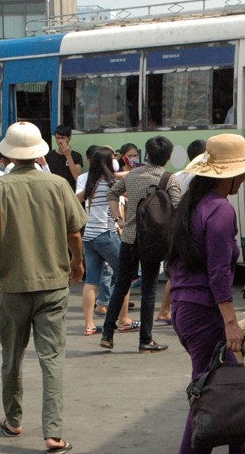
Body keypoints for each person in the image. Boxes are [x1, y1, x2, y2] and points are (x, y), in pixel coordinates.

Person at [0, 121, 85, 454]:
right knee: (52, 359)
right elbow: (74, 232)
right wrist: (77, 263)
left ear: (8, 152)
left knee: (12, 357)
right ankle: (53, 433)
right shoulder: (58, 185)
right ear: (39, 153)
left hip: (14, 286)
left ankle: (14, 420)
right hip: (53, 286)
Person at [166, 134, 245, 454]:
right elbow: (220, 274)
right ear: (232, 174)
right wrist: (231, 322)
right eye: (243, 171)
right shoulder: (220, 210)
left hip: (187, 308)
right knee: (212, 392)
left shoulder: (194, 205)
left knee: (227, 391)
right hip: (203, 312)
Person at [100, 136, 181, 353]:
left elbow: (112, 193)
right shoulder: (169, 179)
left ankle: (107, 333)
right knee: (149, 290)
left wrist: (119, 219)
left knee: (121, 285)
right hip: (153, 242)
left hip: (129, 237)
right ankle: (146, 339)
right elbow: (177, 207)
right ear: (169, 156)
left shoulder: (133, 175)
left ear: (147, 155)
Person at [79, 147, 136, 335]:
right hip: (106, 234)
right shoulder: (110, 183)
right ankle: (124, 319)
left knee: (92, 281)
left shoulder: (90, 183)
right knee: (124, 275)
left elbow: (75, 199)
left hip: (88, 236)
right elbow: (123, 182)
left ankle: (89, 325)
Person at [156, 138, 208, 326]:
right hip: (193, 230)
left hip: (178, 228)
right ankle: (166, 310)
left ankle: (167, 310)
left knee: (179, 271)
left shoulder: (178, 176)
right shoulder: (202, 177)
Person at [46, 124, 83, 190]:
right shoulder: (49, 155)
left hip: (70, 191)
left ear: (69, 138)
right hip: (54, 191)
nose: (60, 141)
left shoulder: (76, 156)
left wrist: (68, 155)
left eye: (63, 138)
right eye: (57, 138)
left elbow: (77, 178)